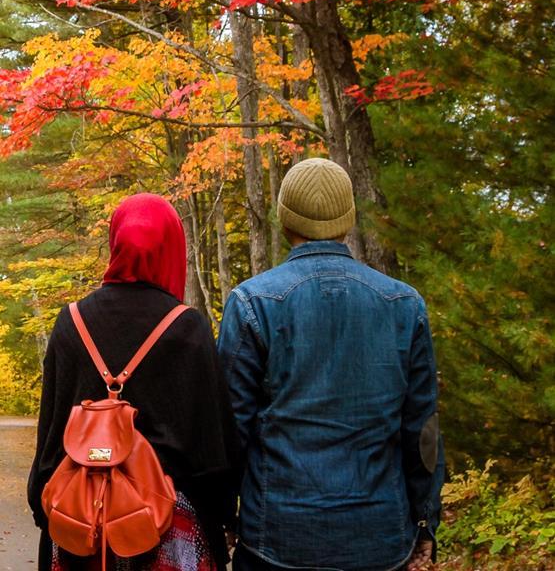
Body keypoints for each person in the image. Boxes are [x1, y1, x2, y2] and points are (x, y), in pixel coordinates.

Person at [218, 158, 444, 571]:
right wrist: (425, 518)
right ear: (348, 221)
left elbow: (231, 428)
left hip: (278, 536)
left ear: (284, 219)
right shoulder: (404, 304)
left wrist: (223, 515)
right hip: (380, 535)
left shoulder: (252, 303)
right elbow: (422, 430)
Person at [28, 193, 240, 571]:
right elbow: (213, 446)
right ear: (172, 248)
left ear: (116, 242)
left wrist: (43, 506)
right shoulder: (186, 327)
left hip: (81, 521)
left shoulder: (69, 322)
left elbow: (51, 434)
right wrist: (224, 515)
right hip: (170, 525)